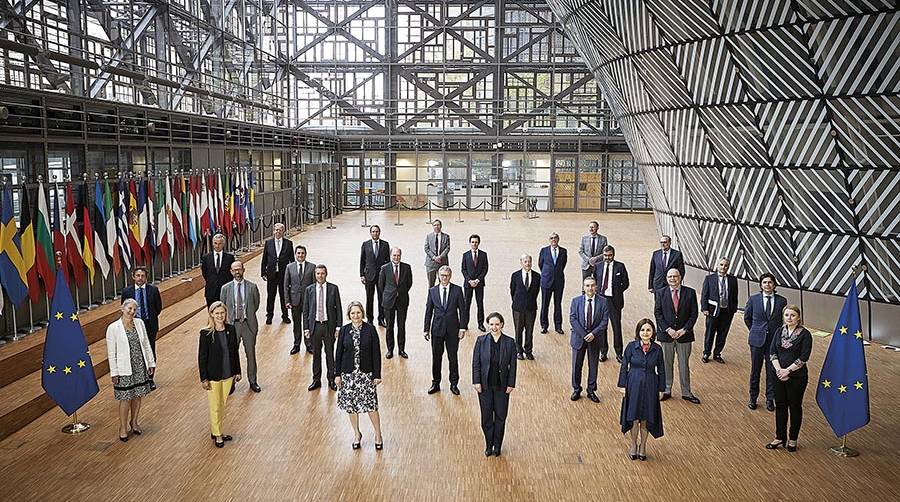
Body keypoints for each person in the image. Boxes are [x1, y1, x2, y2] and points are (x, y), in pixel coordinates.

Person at [335, 301, 384, 450]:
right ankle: (357, 434)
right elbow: (338, 354)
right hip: (349, 375)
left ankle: (378, 434)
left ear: (362, 313)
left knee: (371, 406)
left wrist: (377, 374)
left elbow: (376, 353)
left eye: (358, 312)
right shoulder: (344, 331)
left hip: (366, 375)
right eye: (353, 313)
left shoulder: (370, 330)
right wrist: (337, 375)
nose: (355, 316)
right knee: (351, 407)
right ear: (349, 315)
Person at [106, 298, 156, 442]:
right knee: (125, 399)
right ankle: (122, 427)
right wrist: (114, 372)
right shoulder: (113, 328)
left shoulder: (139, 323)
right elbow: (111, 352)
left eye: (134, 309)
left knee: (137, 396)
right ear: (122, 309)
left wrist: (151, 362)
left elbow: (146, 344)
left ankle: (134, 422)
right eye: (129, 309)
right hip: (124, 369)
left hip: (139, 365)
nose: (132, 312)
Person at [765, 304, 812, 453]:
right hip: (777, 374)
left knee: (795, 407)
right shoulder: (779, 331)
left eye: (792, 315)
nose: (789, 318)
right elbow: (772, 352)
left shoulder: (805, 335)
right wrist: (779, 370)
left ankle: (793, 439)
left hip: (797, 377)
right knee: (780, 405)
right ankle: (779, 437)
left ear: (799, 317)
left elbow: (804, 357)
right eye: (786, 315)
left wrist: (787, 371)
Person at [618, 319, 665, 461]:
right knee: (634, 418)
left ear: (653, 333)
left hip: (651, 386)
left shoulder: (657, 349)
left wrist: (662, 388)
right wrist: (622, 385)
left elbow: (662, 370)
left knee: (645, 419)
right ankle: (633, 444)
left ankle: (643, 446)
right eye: (643, 330)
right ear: (638, 332)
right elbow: (624, 366)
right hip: (633, 385)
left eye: (648, 330)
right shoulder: (631, 347)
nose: (645, 333)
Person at [472, 312, 517, 457]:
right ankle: (488, 444)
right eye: (491, 324)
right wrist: (476, 381)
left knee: (500, 417)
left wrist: (511, 384)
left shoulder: (510, 343)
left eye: (497, 324)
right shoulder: (480, 341)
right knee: (486, 417)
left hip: (502, 387)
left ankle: (497, 445)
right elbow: (476, 363)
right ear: (488, 325)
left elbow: (513, 366)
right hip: (484, 386)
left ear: (502, 325)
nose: (494, 327)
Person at [198, 301, 242, 448]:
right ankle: (217, 435)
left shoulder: (231, 329)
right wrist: (203, 378)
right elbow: (202, 357)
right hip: (213, 376)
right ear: (211, 314)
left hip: (228, 374)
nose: (220, 315)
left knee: (222, 405)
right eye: (217, 313)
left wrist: (238, 371)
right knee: (215, 406)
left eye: (222, 313)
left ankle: (216, 429)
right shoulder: (205, 333)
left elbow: (234, 352)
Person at [654, 269, 700, 404]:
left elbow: (694, 314)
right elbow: (658, 313)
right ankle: (667, 390)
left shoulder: (690, 292)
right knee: (666, 364)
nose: (673, 279)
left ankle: (686, 392)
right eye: (670, 276)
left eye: (675, 276)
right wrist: (668, 330)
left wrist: (684, 330)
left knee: (684, 364)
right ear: (666, 278)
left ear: (680, 277)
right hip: (666, 335)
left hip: (684, 336)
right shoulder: (660, 293)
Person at [744, 273, 787, 411]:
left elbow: (783, 321)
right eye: (765, 282)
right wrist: (756, 330)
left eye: (770, 282)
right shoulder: (753, 299)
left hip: (773, 342)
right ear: (761, 285)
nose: (767, 285)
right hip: (757, 340)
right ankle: (753, 398)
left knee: (772, 370)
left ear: (774, 285)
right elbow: (747, 318)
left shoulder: (782, 301)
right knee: (755, 370)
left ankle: (770, 399)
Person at [424, 265, 468, 395]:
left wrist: (463, 328)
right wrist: (426, 329)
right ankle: (435, 383)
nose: (444, 278)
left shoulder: (457, 290)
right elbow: (428, 311)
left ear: (450, 276)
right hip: (437, 330)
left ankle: (454, 384)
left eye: (446, 276)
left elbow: (463, 310)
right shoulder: (432, 291)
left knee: (452, 357)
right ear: (438, 276)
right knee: (436, 358)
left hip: (453, 330)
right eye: (442, 275)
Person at [221, 260, 261, 392]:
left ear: (243, 270)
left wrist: (247, 315)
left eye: (239, 269)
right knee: (231, 354)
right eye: (234, 270)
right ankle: (231, 382)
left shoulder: (252, 287)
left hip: (248, 325)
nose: (237, 272)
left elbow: (255, 305)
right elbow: (223, 307)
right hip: (233, 326)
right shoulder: (225, 288)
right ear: (231, 272)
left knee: (250, 354)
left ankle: (253, 381)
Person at [569, 276, 608, 403]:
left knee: (593, 366)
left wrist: (593, 334)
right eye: (587, 285)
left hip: (595, 339)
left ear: (596, 287)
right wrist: (584, 334)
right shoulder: (575, 301)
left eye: (592, 285)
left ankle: (591, 390)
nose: (590, 288)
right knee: (576, 365)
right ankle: (576, 389)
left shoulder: (603, 301)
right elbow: (573, 319)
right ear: (583, 287)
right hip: (579, 338)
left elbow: (604, 321)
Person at [304, 264, 342, 391]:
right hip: (315, 326)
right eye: (318, 273)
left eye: (322, 273)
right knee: (316, 355)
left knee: (330, 354)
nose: (320, 276)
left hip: (328, 326)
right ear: (315, 275)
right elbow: (306, 311)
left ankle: (331, 379)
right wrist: (306, 329)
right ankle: (316, 380)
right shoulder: (309, 290)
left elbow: (339, 309)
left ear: (326, 274)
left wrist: (338, 327)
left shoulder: (333, 288)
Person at [594, 245, 629, 363]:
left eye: (609, 255)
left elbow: (626, 283)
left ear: (613, 254)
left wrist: (617, 292)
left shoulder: (620, 266)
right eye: (605, 255)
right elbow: (594, 281)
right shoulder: (598, 266)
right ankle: (603, 352)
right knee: (602, 327)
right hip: (601, 300)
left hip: (614, 301)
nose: (607, 258)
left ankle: (619, 353)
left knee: (616, 327)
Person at [700, 257, 738, 364]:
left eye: (726, 265)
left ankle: (717, 353)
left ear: (728, 267)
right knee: (710, 333)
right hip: (712, 311)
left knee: (722, 334)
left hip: (727, 312)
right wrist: (704, 308)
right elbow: (704, 295)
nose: (723, 267)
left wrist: (733, 310)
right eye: (721, 265)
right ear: (717, 265)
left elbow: (734, 296)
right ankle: (706, 353)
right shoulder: (709, 278)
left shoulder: (733, 280)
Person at [377, 246, 412, 359]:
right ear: (391, 256)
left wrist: (400, 292)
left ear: (400, 256)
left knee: (401, 326)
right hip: (388, 302)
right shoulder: (384, 268)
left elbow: (409, 283)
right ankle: (390, 350)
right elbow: (381, 286)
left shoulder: (407, 267)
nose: (396, 257)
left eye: (398, 255)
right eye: (394, 255)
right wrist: (390, 294)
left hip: (402, 301)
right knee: (389, 327)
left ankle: (401, 350)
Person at [120, 267, 162, 359]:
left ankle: (151, 372)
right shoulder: (126, 292)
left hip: (149, 325)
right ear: (133, 277)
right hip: (133, 325)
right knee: (135, 349)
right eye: (138, 275)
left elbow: (158, 308)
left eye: (142, 276)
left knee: (150, 349)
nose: (140, 278)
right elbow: (124, 308)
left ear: (146, 277)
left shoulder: (153, 290)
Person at [284, 245, 316, 355]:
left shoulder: (312, 267)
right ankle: (296, 344)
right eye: (298, 253)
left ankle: (309, 344)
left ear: (305, 254)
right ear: (295, 254)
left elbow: (314, 286)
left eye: (302, 253)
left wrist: (314, 301)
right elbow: (286, 285)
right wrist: (287, 301)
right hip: (294, 300)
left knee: (307, 323)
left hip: (308, 301)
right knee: (296, 323)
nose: (300, 255)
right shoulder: (289, 267)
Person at [509, 254, 540, 360]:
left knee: (529, 330)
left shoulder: (537, 276)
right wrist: (518, 301)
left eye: (529, 261)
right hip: (518, 308)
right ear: (521, 262)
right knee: (518, 330)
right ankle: (519, 351)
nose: (528, 264)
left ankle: (528, 351)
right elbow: (512, 290)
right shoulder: (515, 275)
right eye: (525, 261)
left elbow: (536, 291)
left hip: (531, 308)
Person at [261, 222, 293, 325]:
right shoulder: (268, 243)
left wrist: (292, 275)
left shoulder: (288, 243)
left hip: (284, 275)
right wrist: (263, 272)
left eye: (280, 230)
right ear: (273, 231)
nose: (278, 232)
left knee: (284, 296)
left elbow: (291, 260)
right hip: (272, 274)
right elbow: (264, 259)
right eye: (276, 230)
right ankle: (269, 316)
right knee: (271, 296)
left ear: (283, 231)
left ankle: (285, 316)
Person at [360, 225, 390, 327]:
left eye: (377, 231)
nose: (375, 233)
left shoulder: (385, 245)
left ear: (379, 232)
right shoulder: (365, 244)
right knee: (369, 298)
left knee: (381, 298)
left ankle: (381, 319)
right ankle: (370, 319)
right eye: (373, 231)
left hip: (381, 276)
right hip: (369, 276)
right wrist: (362, 275)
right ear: (370, 233)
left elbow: (388, 261)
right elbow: (362, 260)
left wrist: (388, 276)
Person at [538, 232, 567, 334]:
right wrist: (548, 274)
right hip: (546, 281)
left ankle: (558, 326)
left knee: (557, 304)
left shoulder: (563, 251)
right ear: (549, 240)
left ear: (558, 239)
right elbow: (540, 264)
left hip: (559, 281)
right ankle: (544, 326)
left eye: (555, 238)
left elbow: (563, 265)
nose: (553, 240)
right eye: (551, 238)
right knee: (545, 304)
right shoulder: (544, 250)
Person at [461, 234, 488, 332]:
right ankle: (464, 324)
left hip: (479, 284)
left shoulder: (483, 255)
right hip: (468, 284)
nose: (474, 244)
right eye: (472, 242)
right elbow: (463, 269)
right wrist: (469, 280)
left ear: (478, 243)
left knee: (480, 304)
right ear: (470, 243)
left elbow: (485, 269)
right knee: (466, 305)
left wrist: (478, 280)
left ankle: (480, 324)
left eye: (476, 242)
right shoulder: (465, 255)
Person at [201, 233, 235, 307]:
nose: (217, 246)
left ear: (223, 244)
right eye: (215, 243)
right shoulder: (206, 258)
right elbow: (205, 273)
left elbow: (231, 274)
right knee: (212, 313)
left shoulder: (230, 258)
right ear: (212, 243)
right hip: (211, 291)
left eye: (220, 243)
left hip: (225, 291)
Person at [424, 219, 450, 287]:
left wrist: (440, 257)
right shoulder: (429, 236)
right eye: (434, 225)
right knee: (431, 284)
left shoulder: (446, 236)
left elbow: (447, 248)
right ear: (432, 226)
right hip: (431, 264)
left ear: (441, 226)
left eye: (438, 225)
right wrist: (434, 257)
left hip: (442, 262)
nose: (436, 226)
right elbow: (426, 248)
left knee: (443, 284)